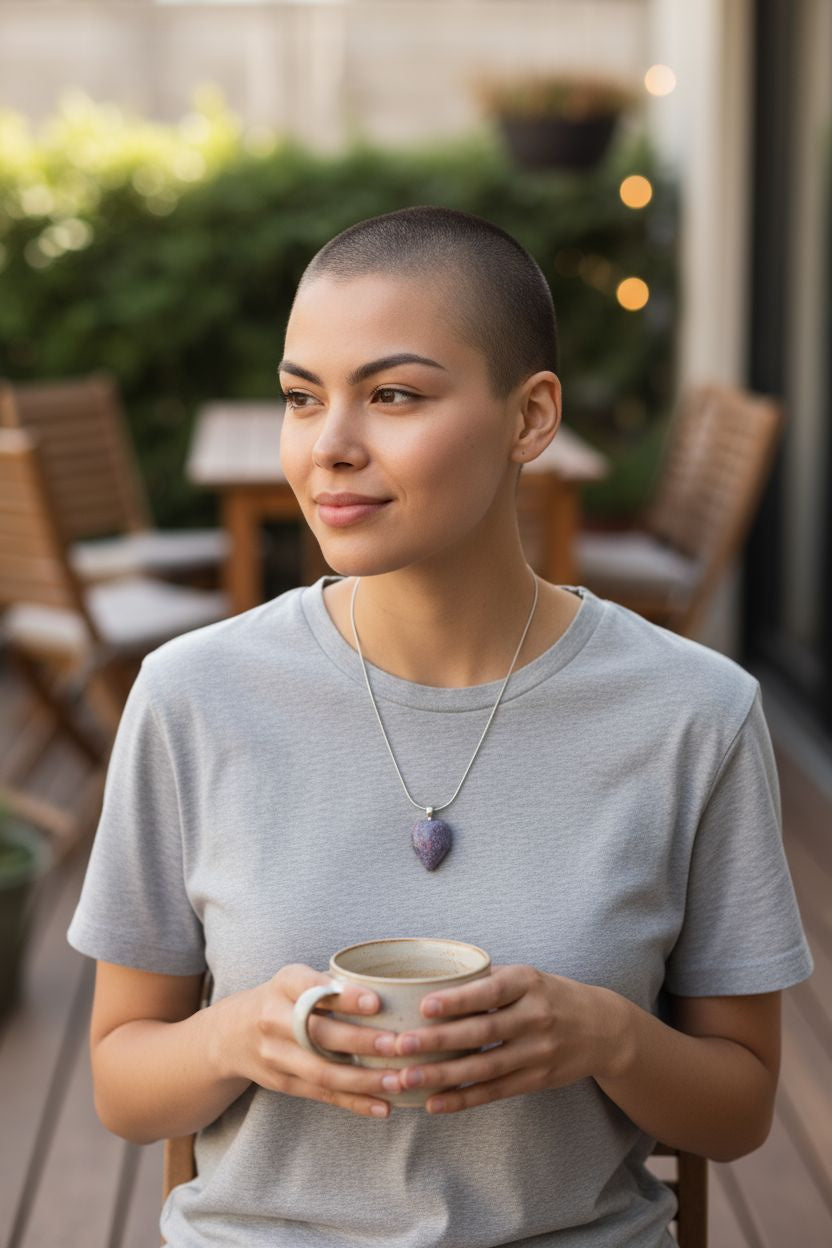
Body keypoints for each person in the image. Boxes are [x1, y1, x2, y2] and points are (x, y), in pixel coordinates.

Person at [67, 205, 814, 1247]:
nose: (329, 446)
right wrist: (235, 1038)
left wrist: (606, 1038)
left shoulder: (693, 712)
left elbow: (734, 1114)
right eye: (300, 397)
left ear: (531, 416)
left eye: (394, 395)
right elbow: (121, 1084)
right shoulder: (195, 694)